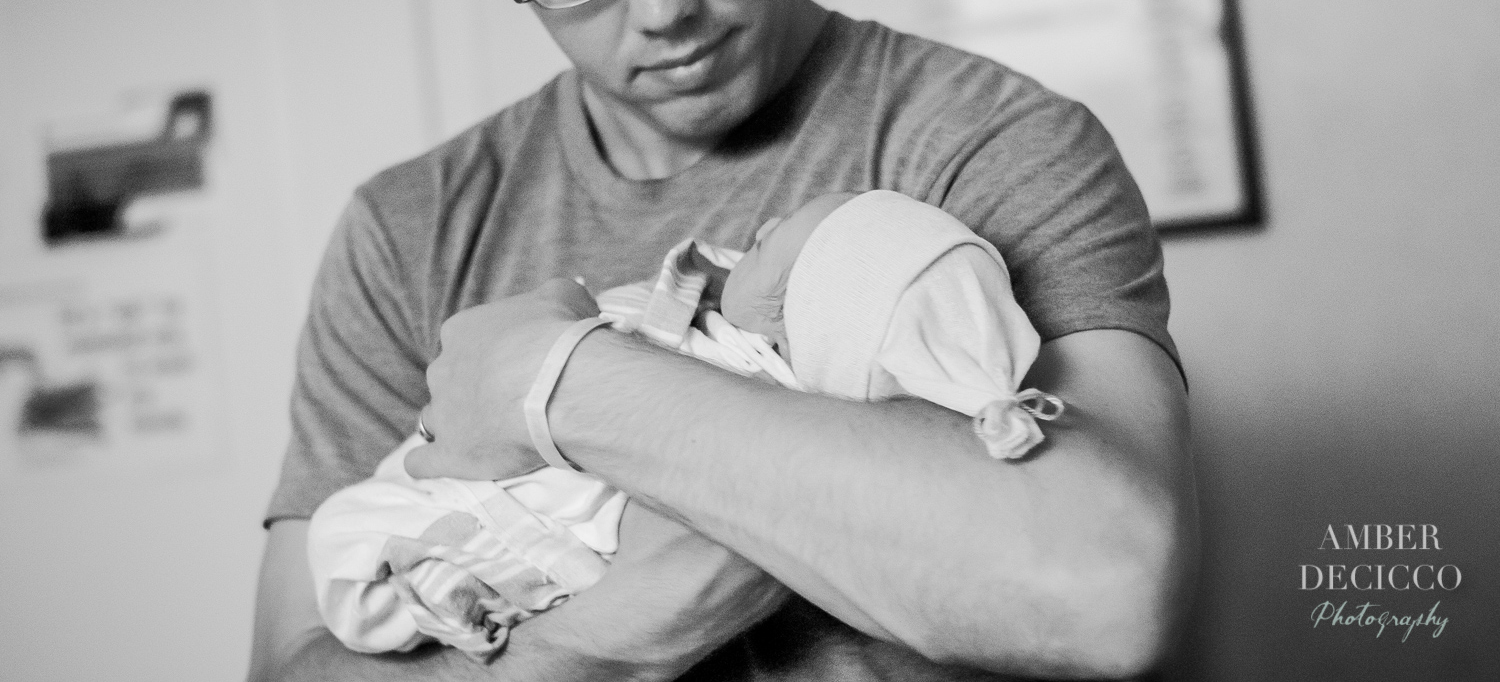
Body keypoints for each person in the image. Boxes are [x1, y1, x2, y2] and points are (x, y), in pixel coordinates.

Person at [247, 0, 1200, 680]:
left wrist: (559, 381)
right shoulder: (409, 231)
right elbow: (290, 665)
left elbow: (1106, 594)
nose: (662, 9)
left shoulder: (991, 142)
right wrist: (588, 645)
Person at [306, 190, 1065, 662]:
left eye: (773, 243)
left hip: (508, 515)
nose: (761, 224)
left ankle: (428, 587)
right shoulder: (394, 225)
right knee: (358, 535)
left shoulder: (753, 377)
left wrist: (559, 341)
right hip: (470, 489)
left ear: (808, 309)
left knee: (352, 536)